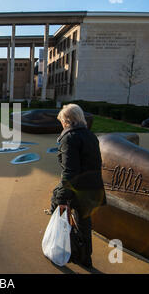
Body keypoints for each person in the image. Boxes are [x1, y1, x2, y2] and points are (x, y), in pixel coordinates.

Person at [44, 103, 106, 268]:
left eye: (62, 121)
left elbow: (70, 171)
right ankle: (85, 258)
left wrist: (62, 199)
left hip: (77, 189)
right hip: (93, 188)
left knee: (60, 214)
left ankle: (61, 250)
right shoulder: (90, 135)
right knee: (84, 224)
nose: (62, 124)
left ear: (67, 120)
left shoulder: (69, 138)